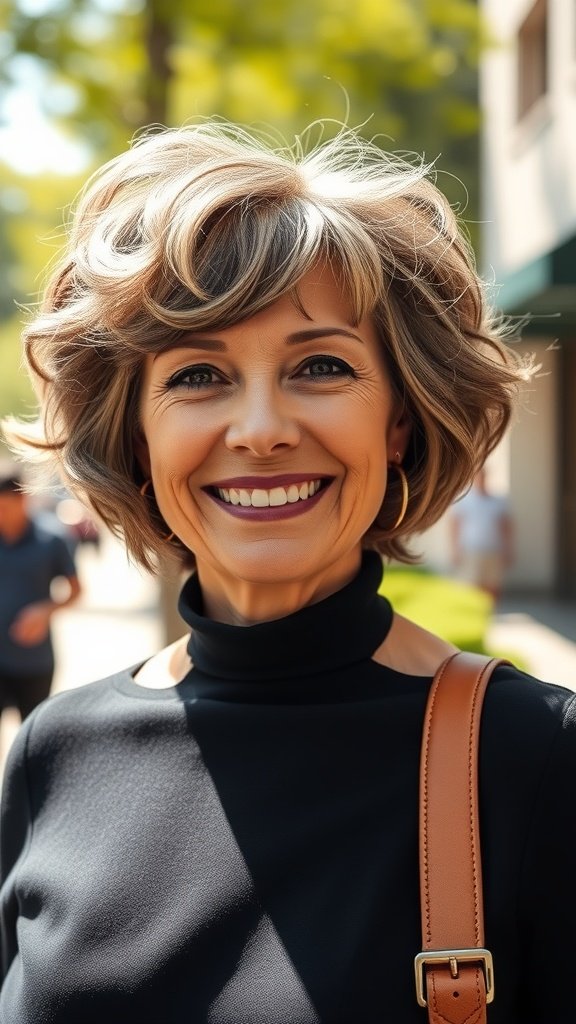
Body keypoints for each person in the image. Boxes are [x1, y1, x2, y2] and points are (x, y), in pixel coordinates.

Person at [0, 122, 574, 1024]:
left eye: (321, 366)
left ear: (399, 421)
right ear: (137, 435)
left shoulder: (535, 757)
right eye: (197, 376)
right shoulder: (51, 754)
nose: (261, 430)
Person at [0, 468, 81, 726]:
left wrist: (45, 611)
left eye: (5, 507)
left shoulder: (52, 538)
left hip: (34, 661)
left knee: (32, 734)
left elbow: (76, 591)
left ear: (23, 499)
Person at [449, 467, 514, 601]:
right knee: (471, 586)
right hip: (471, 550)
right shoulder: (463, 500)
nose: (481, 479)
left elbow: (506, 527)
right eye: (478, 476)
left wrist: (508, 549)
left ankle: (491, 611)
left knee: (493, 585)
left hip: (493, 549)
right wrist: (455, 549)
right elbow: (454, 526)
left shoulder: (498, 501)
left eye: (483, 476)